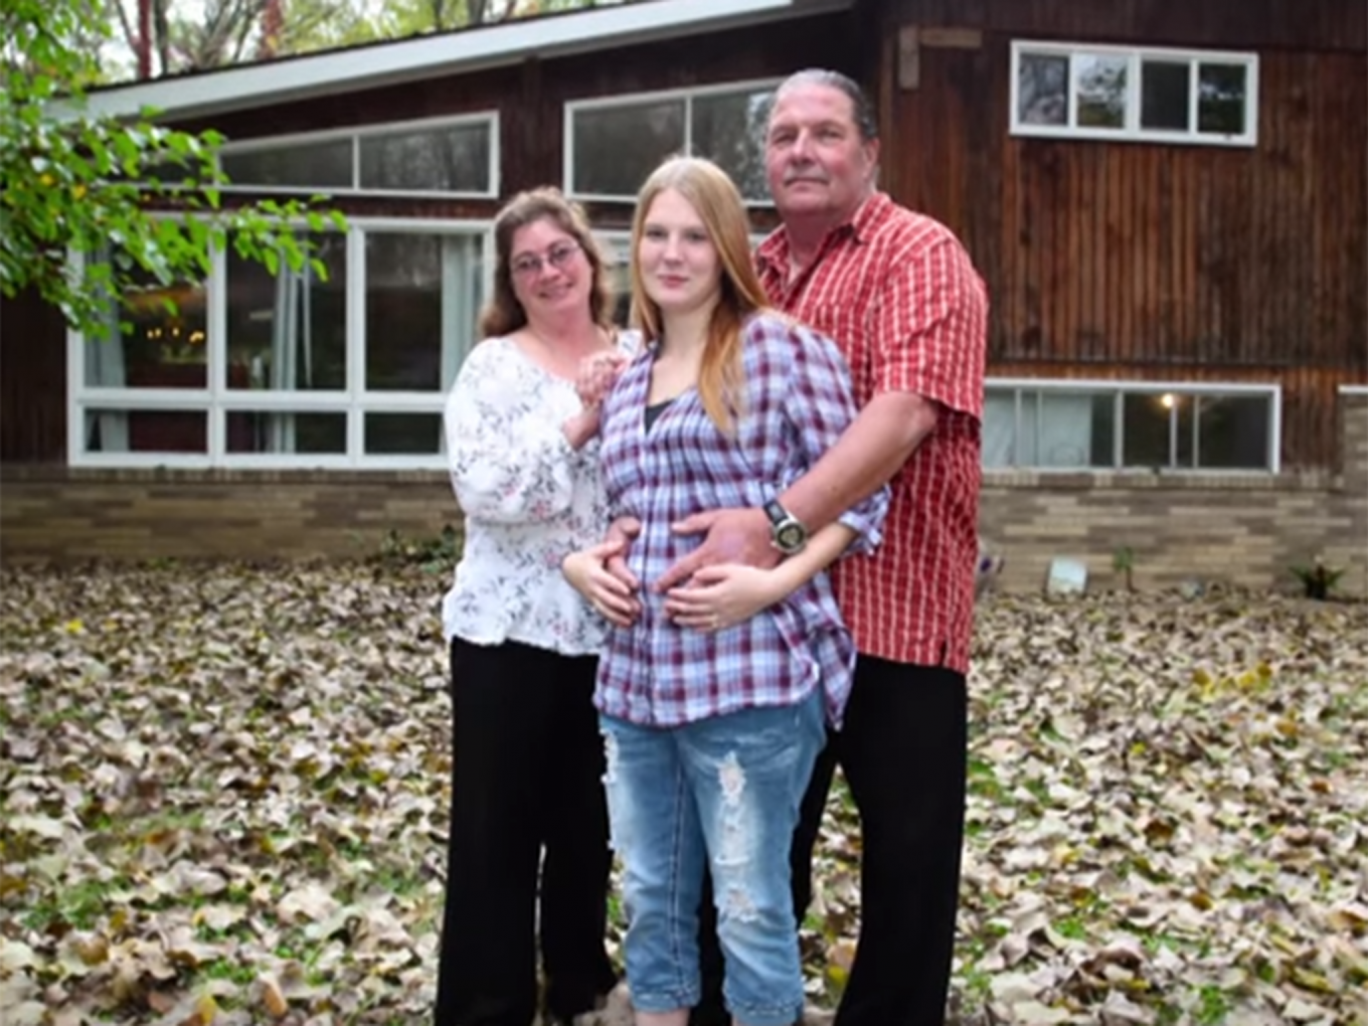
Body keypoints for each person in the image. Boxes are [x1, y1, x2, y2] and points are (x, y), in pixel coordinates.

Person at [587, 70, 988, 1026]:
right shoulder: (752, 264)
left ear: (871, 150)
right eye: (784, 137)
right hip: (754, 647)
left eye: (826, 133)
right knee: (762, 864)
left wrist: (771, 528)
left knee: (905, 859)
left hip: (894, 607)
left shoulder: (919, 254)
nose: (801, 151)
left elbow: (901, 419)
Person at [561, 155, 888, 1026]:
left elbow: (863, 498)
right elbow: (617, 514)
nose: (673, 254)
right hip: (636, 684)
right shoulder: (628, 380)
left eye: (695, 236)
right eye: (656, 235)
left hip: (751, 680)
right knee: (652, 906)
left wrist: (768, 581)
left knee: (749, 912)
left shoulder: (783, 351)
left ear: (727, 247)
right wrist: (591, 563)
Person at [435, 187, 628, 1026]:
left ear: (590, 258)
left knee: (590, 828)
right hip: (505, 634)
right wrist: (580, 424)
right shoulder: (494, 367)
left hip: (607, 632)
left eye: (561, 252)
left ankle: (579, 987)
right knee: (498, 834)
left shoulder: (639, 354)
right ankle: (489, 1004)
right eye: (527, 263)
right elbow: (484, 488)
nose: (549, 272)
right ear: (509, 283)